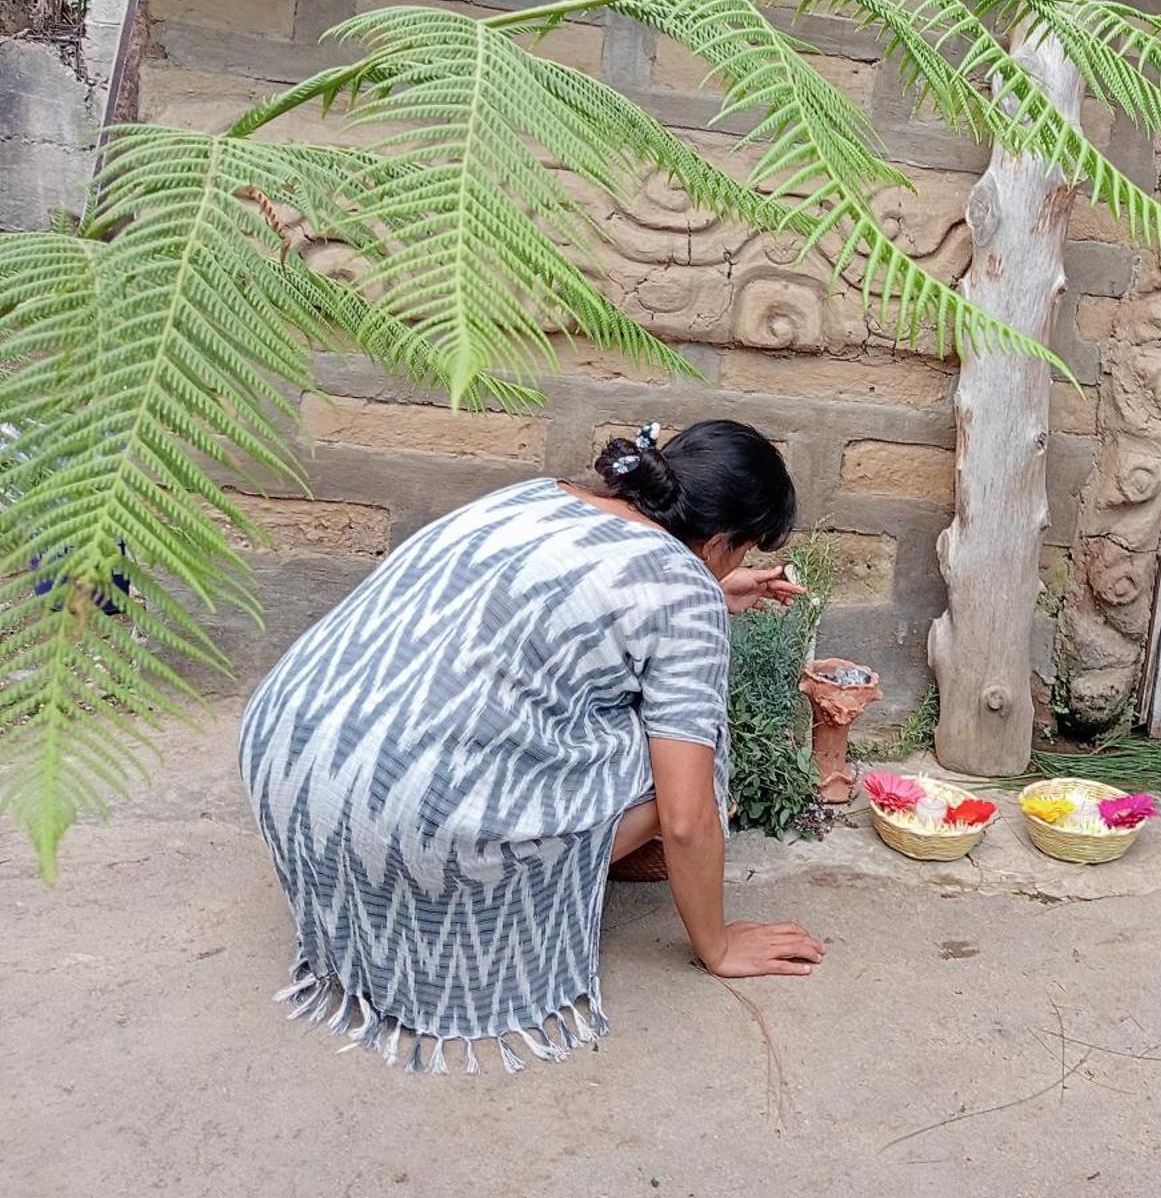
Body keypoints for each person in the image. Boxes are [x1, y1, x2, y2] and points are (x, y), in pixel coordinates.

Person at [238, 418, 825, 1074]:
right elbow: (687, 818)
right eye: (741, 554)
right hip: (406, 827)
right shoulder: (682, 589)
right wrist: (717, 945)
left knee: (629, 711)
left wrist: (712, 593)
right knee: (692, 742)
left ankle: (564, 852)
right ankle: (536, 873)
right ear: (719, 542)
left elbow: (590, 603)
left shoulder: (545, 494)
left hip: (295, 762)